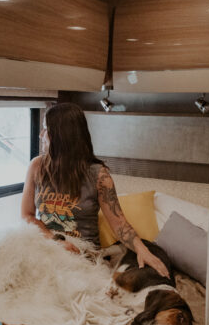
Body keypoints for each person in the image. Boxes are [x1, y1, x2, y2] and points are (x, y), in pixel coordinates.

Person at [21, 102, 169, 277]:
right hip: (48, 244)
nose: (41, 135)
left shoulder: (99, 175)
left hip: (81, 253)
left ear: (61, 135)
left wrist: (142, 250)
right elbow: (27, 215)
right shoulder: (37, 166)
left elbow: (119, 224)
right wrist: (55, 240)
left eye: (46, 129)